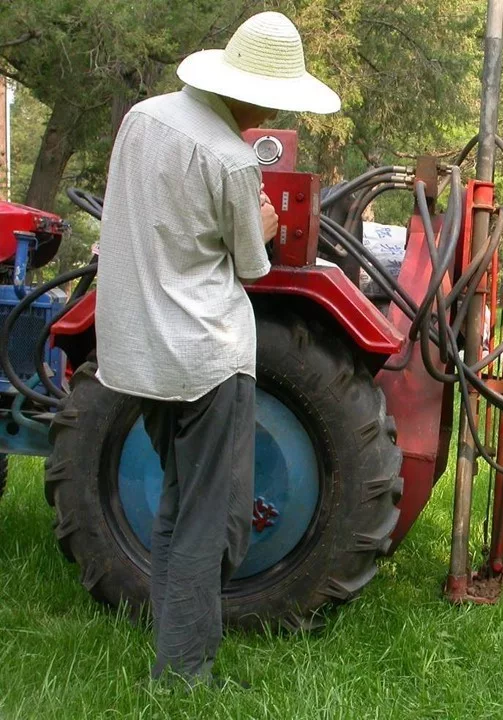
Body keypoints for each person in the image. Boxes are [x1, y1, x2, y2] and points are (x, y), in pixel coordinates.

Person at [94, 11, 341, 689]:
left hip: (138, 350)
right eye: (271, 95)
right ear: (250, 89)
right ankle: (184, 675)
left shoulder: (142, 119)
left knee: (179, 506)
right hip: (205, 356)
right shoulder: (232, 159)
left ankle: (173, 641)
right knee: (217, 523)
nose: (268, 107)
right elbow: (254, 266)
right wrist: (261, 222)